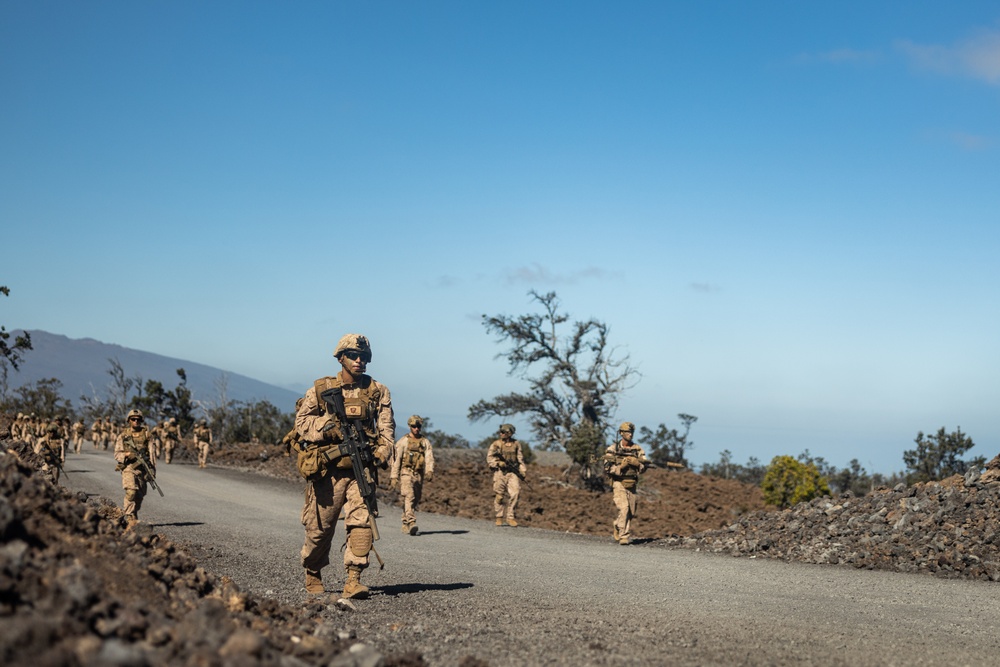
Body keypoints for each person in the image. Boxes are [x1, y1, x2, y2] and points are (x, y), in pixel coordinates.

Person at [294, 333, 394, 599]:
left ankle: (353, 578)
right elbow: (302, 425)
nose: (359, 361)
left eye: (364, 357)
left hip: (361, 470)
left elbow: (387, 432)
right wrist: (326, 429)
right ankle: (313, 570)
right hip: (329, 471)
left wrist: (381, 453)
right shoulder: (321, 389)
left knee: (362, 524)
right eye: (353, 356)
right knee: (319, 530)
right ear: (341, 358)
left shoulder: (378, 391)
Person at [602, 421, 649, 545]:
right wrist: (621, 467)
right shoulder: (613, 449)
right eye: (627, 432)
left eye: (632, 432)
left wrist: (637, 464)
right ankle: (624, 535)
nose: (630, 434)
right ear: (621, 433)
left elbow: (644, 465)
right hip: (619, 483)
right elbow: (607, 467)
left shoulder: (637, 449)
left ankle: (618, 524)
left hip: (632, 483)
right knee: (624, 508)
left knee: (631, 512)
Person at [390, 415, 434, 535]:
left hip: (418, 474)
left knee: (416, 498)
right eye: (414, 426)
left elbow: (429, 457)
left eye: (418, 426)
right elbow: (396, 460)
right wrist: (394, 476)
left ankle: (405, 521)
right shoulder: (403, 442)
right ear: (410, 426)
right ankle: (411, 522)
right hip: (406, 472)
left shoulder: (425, 442)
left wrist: (429, 471)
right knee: (408, 496)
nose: (416, 429)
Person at [113, 409, 156, 527]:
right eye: (133, 419)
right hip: (129, 467)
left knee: (140, 495)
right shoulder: (123, 435)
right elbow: (117, 454)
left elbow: (152, 454)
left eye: (138, 419)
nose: (136, 421)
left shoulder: (147, 434)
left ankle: (134, 512)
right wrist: (127, 455)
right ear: (129, 420)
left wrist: (152, 470)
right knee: (131, 492)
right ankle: (128, 515)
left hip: (142, 468)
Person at [487, 424, 526, 527]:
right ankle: (499, 516)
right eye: (501, 432)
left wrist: (522, 470)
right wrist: (498, 463)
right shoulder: (496, 444)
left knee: (515, 493)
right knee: (499, 496)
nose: (501, 434)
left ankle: (510, 517)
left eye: (503, 432)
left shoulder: (516, 444)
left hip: (512, 473)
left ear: (509, 433)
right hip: (500, 473)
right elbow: (490, 458)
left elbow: (520, 458)